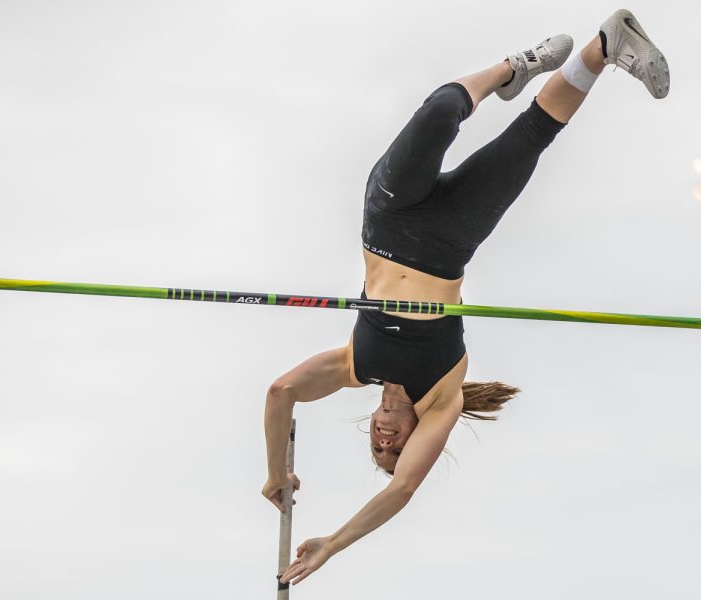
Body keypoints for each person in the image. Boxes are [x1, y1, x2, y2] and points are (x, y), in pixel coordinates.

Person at [264, 8, 669, 586]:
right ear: (410, 441)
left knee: (438, 115)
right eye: (394, 449)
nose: (386, 443)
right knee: (531, 139)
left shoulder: (354, 366)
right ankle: (606, 46)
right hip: (450, 241)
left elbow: (281, 393)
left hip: (389, 221)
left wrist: (275, 470)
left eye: (377, 447)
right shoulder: (444, 397)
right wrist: (333, 543)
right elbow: (403, 490)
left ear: (371, 424)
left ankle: (513, 67)